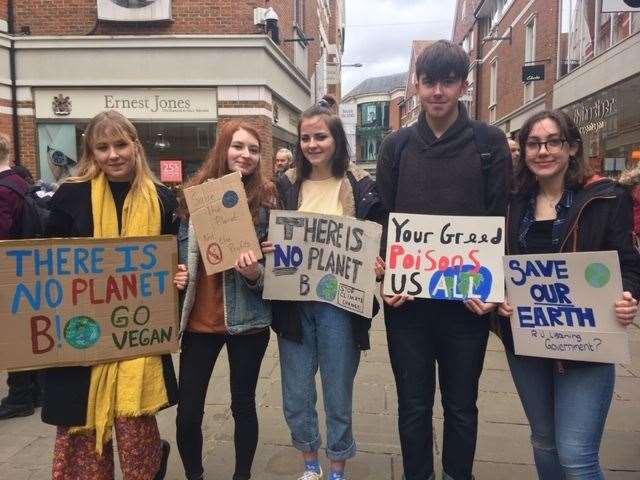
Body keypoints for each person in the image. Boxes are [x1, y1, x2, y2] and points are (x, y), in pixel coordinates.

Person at [375, 40, 512, 480]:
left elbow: (499, 220)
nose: (437, 91)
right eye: (429, 81)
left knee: (460, 405)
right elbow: (386, 217)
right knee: (412, 406)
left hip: (466, 306)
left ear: (463, 85)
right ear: (416, 85)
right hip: (409, 307)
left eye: (447, 82)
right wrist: (388, 275)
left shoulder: (489, 143)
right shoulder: (396, 146)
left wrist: (492, 289)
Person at [497, 109, 640, 479]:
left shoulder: (606, 198)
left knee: (577, 456)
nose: (543, 151)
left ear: (573, 147)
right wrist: (498, 294)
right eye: (533, 143)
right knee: (544, 442)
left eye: (553, 142)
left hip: (586, 345)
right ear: (523, 151)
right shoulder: (512, 202)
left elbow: (628, 261)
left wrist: (628, 296)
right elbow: (497, 263)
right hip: (526, 341)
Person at [41, 110, 178, 480]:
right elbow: (46, 263)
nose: (113, 154)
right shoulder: (70, 195)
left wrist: (174, 278)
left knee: (136, 438)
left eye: (120, 144)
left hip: (135, 338)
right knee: (81, 443)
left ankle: (150, 466)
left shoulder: (163, 199)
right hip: (80, 338)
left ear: (136, 146)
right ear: (91, 152)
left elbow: (168, 262)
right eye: (103, 147)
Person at [266, 104, 381, 480]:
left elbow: (374, 241)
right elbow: (267, 234)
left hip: (340, 307)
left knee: (337, 394)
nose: (313, 144)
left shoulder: (362, 185)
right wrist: (267, 247)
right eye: (306, 137)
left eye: (321, 136)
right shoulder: (284, 185)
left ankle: (336, 466)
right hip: (294, 304)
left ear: (337, 139)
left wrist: (376, 262)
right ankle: (309, 463)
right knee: (296, 394)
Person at [173, 120, 276, 480]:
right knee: (188, 412)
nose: (245, 155)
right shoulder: (195, 196)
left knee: (243, 406)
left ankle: (242, 476)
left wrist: (255, 274)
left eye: (253, 149)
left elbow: (277, 277)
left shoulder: (266, 201)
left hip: (248, 322)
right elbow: (177, 253)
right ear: (222, 149)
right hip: (200, 322)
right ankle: (194, 475)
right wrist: (179, 274)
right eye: (238, 146)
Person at [0, 135, 41, 421]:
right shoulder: (20, 183)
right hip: (28, 271)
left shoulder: (3, 191)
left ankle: (20, 395)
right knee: (27, 330)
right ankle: (33, 390)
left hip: (12, 273)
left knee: (14, 334)